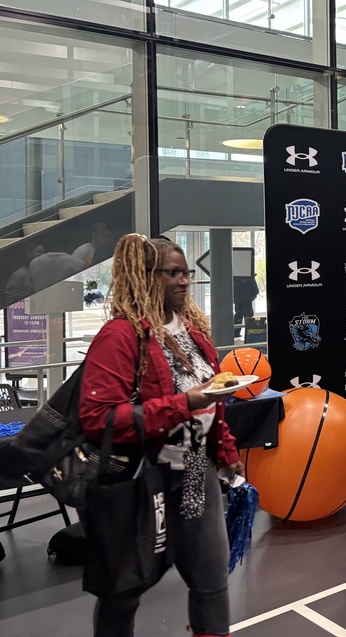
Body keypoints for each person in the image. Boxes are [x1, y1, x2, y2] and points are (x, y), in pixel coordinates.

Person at [79, 234, 244, 637]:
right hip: (140, 480)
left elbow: (211, 400)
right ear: (144, 276)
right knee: (124, 591)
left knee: (211, 582)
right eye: (172, 273)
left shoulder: (194, 332)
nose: (184, 281)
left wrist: (226, 452)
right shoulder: (120, 335)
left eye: (185, 272)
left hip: (193, 474)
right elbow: (97, 417)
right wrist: (182, 404)